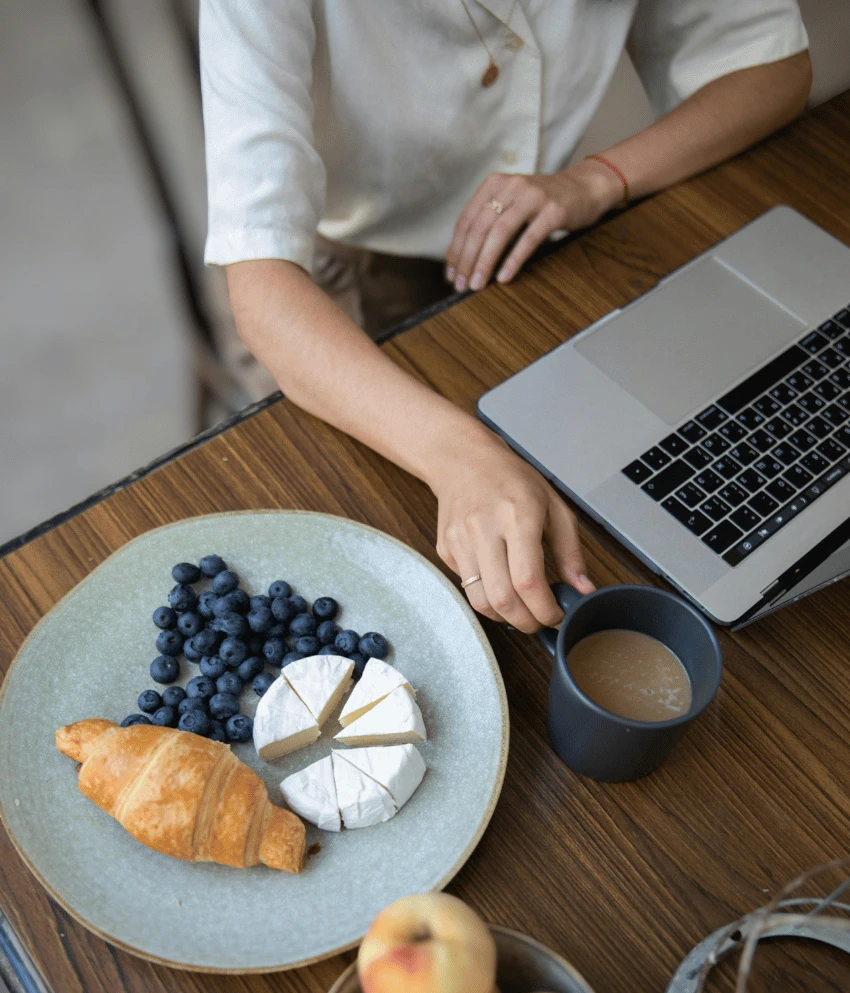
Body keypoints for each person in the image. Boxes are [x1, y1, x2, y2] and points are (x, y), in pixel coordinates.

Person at [200, 1, 812, 634]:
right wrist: (462, 457)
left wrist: (597, 180)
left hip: (545, 238)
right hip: (341, 273)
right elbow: (264, 292)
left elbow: (772, 67)